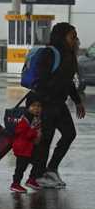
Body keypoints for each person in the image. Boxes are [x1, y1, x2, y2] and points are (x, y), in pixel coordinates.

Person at [33, 23, 86, 188]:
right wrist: (38, 108)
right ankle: (37, 175)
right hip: (46, 103)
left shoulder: (69, 56)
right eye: (72, 36)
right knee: (45, 140)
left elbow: (68, 81)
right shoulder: (50, 53)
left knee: (69, 134)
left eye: (75, 36)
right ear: (62, 37)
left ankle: (51, 169)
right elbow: (41, 82)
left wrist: (77, 101)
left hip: (58, 104)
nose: (76, 40)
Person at [10, 93, 43, 193]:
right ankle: (15, 184)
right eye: (33, 106)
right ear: (28, 106)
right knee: (21, 167)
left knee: (38, 162)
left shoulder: (35, 118)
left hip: (29, 147)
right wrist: (35, 132)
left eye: (39, 106)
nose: (36, 108)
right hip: (22, 148)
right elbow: (23, 133)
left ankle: (31, 179)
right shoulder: (25, 119)